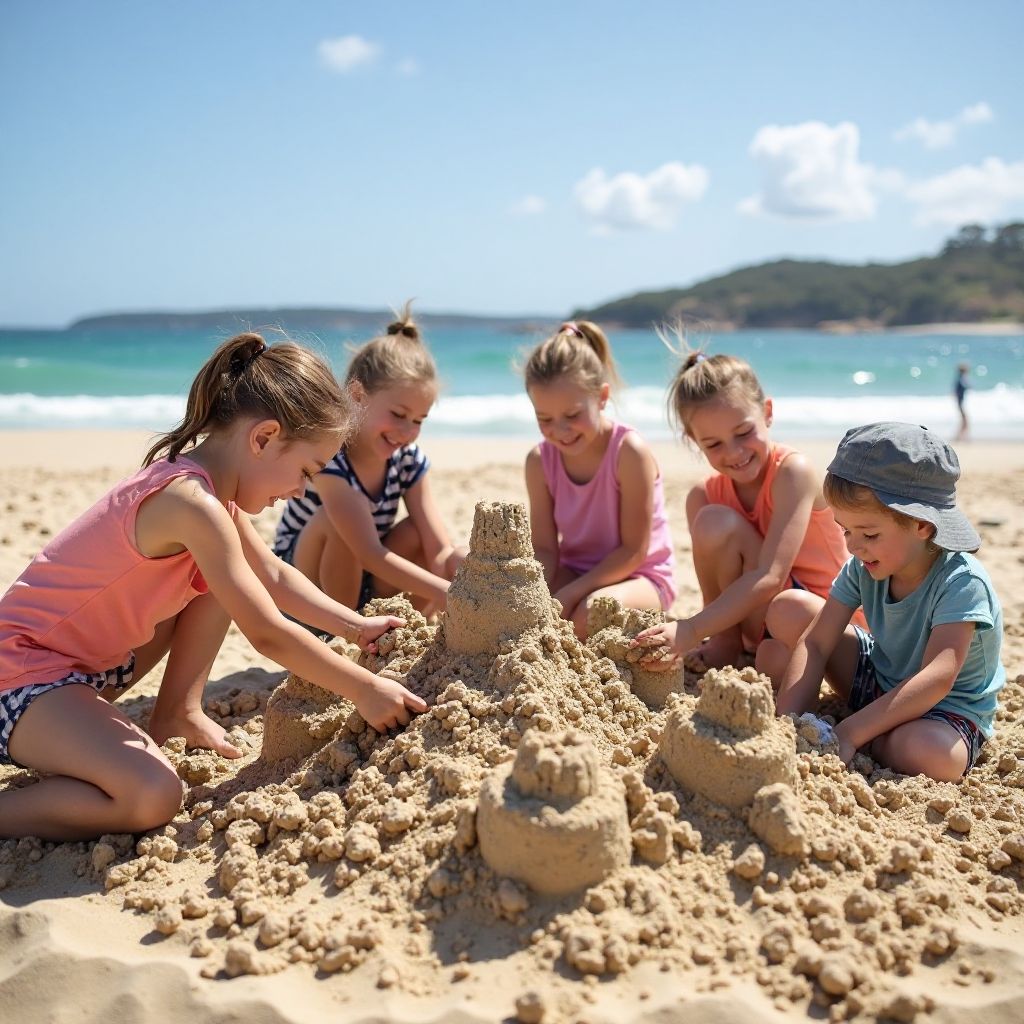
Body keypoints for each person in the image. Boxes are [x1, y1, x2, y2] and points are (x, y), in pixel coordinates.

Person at [0, 333, 427, 841]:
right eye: (305, 471)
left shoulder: (212, 497)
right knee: (150, 795)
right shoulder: (189, 502)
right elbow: (266, 632)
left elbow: (273, 577)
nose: (299, 491)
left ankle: (178, 713)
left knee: (221, 579)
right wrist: (364, 688)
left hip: (84, 672)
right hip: (20, 678)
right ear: (264, 437)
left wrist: (355, 625)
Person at [758, 422, 1004, 782]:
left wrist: (850, 732)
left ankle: (874, 736)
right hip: (879, 680)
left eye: (869, 533)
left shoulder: (961, 581)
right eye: (845, 530)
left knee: (934, 755)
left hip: (943, 710)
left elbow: (938, 678)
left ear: (923, 526)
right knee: (789, 608)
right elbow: (816, 640)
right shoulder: (864, 565)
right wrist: (789, 724)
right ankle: (868, 727)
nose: (853, 546)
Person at [631, 346, 853, 669]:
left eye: (744, 432)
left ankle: (762, 650)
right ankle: (726, 640)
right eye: (714, 444)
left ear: (767, 412)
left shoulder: (792, 472)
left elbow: (772, 576)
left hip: (819, 616)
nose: (734, 452)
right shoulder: (704, 496)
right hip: (762, 618)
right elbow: (714, 584)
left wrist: (691, 628)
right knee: (711, 521)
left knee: (774, 658)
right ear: (694, 442)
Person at [273, 305, 464, 617]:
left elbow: (436, 546)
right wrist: (445, 592)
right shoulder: (330, 455)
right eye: (398, 415)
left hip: (365, 578)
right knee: (336, 521)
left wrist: (461, 565)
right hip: (304, 585)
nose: (407, 431)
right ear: (358, 396)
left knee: (419, 531)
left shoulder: (408, 461)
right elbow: (370, 552)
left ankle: (397, 625)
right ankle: (340, 631)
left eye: (418, 420)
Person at [523, 320, 676, 639]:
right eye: (544, 419)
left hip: (641, 577)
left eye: (572, 415)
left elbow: (633, 551)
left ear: (602, 397)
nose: (560, 431)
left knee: (590, 613)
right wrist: (537, 594)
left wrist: (569, 594)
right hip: (576, 572)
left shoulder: (628, 452)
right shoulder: (540, 461)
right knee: (522, 607)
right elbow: (546, 551)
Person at [954, 362, 970, 441]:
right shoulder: (961, 379)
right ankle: (961, 437)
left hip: (960, 402)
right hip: (960, 403)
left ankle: (960, 437)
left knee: (964, 421)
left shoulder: (960, 379)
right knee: (965, 421)